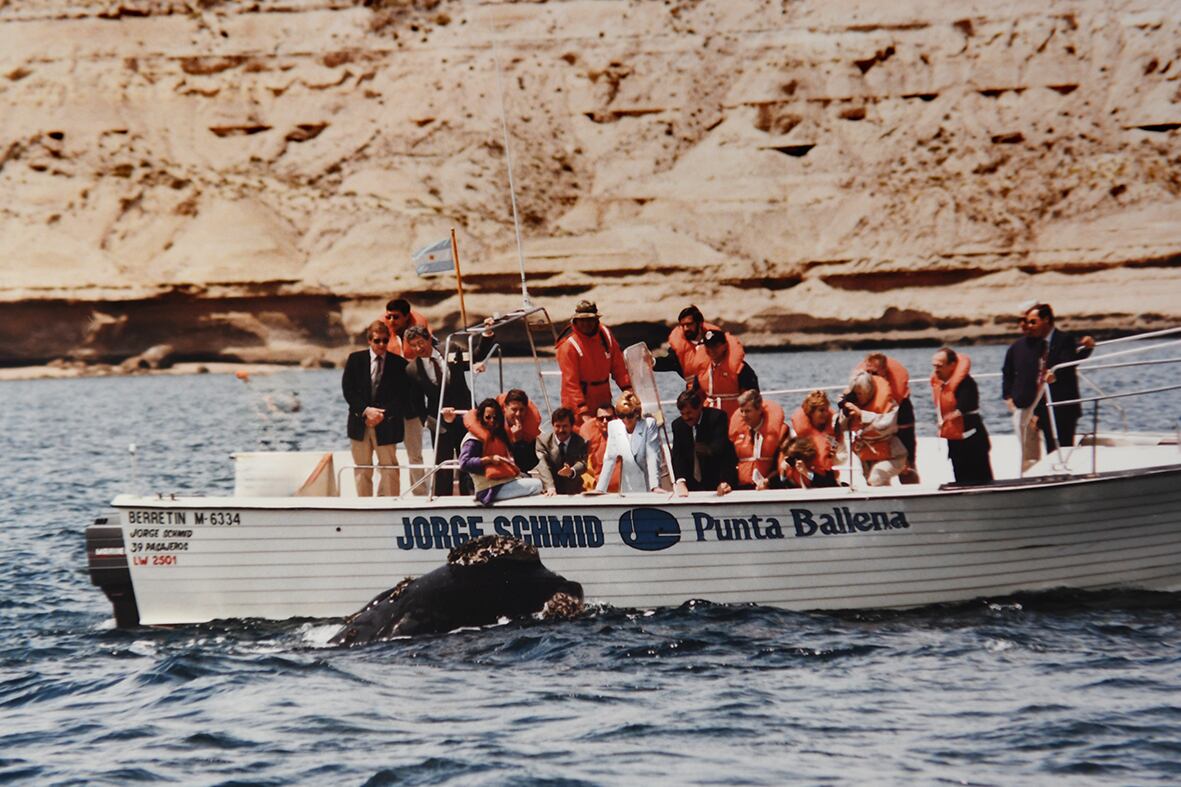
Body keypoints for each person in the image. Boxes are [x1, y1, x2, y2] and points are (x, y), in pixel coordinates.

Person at [1002, 303, 1095, 463]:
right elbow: (1023, 375)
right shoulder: (1033, 344)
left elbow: (1069, 361)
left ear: (1046, 320)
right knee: (1050, 451)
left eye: (1033, 321)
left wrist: (1056, 374)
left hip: (1063, 406)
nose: (1028, 325)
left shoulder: (1064, 339)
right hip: (1043, 408)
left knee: (1063, 449)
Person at [403, 325, 483, 496]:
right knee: (443, 464)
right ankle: (443, 499)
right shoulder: (411, 369)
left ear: (429, 339)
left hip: (465, 415)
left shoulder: (451, 349)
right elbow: (416, 400)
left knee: (467, 458)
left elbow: (475, 357)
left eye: (421, 343)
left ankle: (470, 496)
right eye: (413, 345)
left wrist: (487, 335)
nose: (418, 348)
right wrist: (427, 421)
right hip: (438, 420)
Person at [341, 320, 411, 496]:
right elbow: (348, 390)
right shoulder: (355, 360)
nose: (381, 344)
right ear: (369, 341)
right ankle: (365, 508)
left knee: (389, 469)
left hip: (387, 423)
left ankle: (391, 506)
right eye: (377, 340)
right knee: (363, 469)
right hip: (360, 423)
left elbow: (402, 395)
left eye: (385, 340)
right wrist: (366, 411)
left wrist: (381, 414)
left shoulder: (399, 364)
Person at [556, 300, 632, 424]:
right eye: (582, 320)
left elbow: (619, 367)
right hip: (577, 402)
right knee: (583, 436)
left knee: (606, 433)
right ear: (576, 321)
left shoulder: (606, 336)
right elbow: (571, 384)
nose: (586, 324)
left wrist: (628, 389)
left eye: (590, 320)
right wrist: (583, 412)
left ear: (596, 320)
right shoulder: (568, 346)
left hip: (603, 397)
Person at [459, 399, 543, 505]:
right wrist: (488, 460)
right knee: (537, 484)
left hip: (504, 483)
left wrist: (516, 439)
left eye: (495, 417)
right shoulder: (473, 440)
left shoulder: (496, 436)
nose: (492, 421)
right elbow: (464, 463)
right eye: (488, 417)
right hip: (490, 490)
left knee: (527, 477)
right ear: (481, 417)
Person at [931, 347, 993, 485]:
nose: (936, 370)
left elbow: (965, 404)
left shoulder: (966, 383)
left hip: (972, 437)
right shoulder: (941, 385)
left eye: (940, 366)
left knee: (980, 477)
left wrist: (955, 414)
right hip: (955, 439)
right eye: (934, 366)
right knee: (960, 474)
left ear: (952, 365)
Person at [840, 371, 907, 486]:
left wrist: (861, 414)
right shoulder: (854, 404)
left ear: (869, 391)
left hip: (893, 455)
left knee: (876, 477)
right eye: (854, 394)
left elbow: (884, 425)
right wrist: (844, 411)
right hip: (867, 454)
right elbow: (841, 428)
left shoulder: (889, 404)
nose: (857, 397)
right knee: (873, 483)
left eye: (859, 394)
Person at [860, 353, 918, 483]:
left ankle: (914, 498)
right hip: (874, 443)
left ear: (884, 371)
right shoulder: (862, 396)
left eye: (874, 372)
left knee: (907, 471)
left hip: (898, 441)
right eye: (867, 372)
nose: (870, 376)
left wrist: (908, 459)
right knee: (873, 477)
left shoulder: (901, 400)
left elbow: (906, 433)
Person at [595, 392, 665, 494]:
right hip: (628, 488)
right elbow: (610, 459)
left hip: (648, 486)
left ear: (637, 414)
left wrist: (655, 486)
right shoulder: (613, 426)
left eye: (629, 415)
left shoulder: (648, 424)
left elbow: (652, 455)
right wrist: (600, 489)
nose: (626, 420)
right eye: (622, 415)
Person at [671, 388, 737, 494]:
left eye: (689, 413)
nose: (686, 417)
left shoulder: (717, 418)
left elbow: (723, 452)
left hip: (717, 476)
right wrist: (681, 482)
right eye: (682, 414)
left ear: (699, 407)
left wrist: (725, 481)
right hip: (692, 482)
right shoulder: (678, 425)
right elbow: (677, 456)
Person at [725, 389, 785, 491]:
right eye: (742, 411)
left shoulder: (779, 432)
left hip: (771, 487)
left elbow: (783, 464)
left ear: (759, 410)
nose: (744, 415)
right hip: (742, 488)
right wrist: (727, 482)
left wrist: (769, 481)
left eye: (748, 411)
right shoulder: (737, 434)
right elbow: (729, 463)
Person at [693, 329, 758, 418]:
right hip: (709, 419)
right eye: (708, 346)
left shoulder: (740, 368)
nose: (711, 349)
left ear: (724, 346)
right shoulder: (702, 369)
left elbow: (752, 398)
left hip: (734, 418)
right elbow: (696, 396)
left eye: (715, 346)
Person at [653, 305, 728, 380]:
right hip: (693, 389)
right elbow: (668, 362)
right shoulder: (679, 347)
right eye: (683, 325)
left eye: (689, 324)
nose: (686, 328)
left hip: (719, 385)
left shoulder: (716, 341)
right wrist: (653, 361)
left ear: (700, 324)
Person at [786, 390, 841, 487]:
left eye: (826, 410)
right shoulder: (797, 434)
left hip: (828, 476)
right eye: (821, 410)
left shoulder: (833, 429)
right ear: (811, 412)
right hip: (808, 478)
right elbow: (789, 459)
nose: (825, 414)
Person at [535, 407, 589, 495]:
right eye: (557, 426)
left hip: (574, 491)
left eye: (564, 426)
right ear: (552, 425)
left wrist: (571, 471)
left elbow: (582, 463)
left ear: (571, 426)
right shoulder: (542, 441)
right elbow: (543, 465)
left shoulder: (581, 442)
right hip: (549, 490)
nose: (561, 430)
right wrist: (550, 487)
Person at [768, 436, 839, 489]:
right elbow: (785, 490)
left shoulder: (820, 464)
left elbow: (830, 485)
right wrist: (783, 473)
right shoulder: (789, 471)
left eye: (793, 457)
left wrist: (807, 473)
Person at [580, 404, 620, 492]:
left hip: (621, 490)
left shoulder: (624, 433)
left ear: (615, 419)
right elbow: (581, 464)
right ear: (596, 420)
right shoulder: (587, 432)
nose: (605, 421)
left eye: (608, 418)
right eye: (601, 419)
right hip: (596, 490)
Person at [502, 388, 542, 474]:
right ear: (505, 408)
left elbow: (528, 465)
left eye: (521, 410)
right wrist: (511, 440)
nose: (518, 414)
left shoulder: (528, 432)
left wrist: (518, 441)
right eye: (514, 409)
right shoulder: (493, 425)